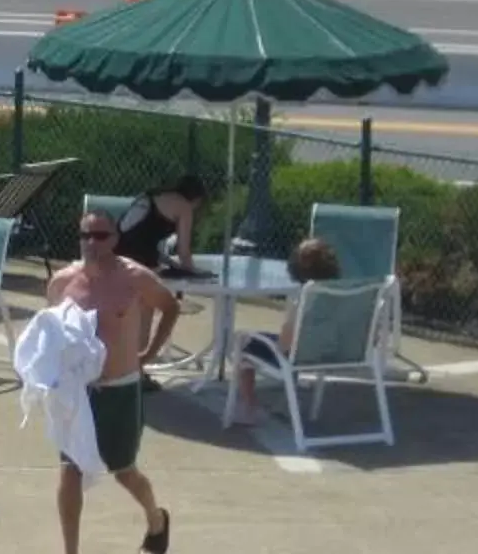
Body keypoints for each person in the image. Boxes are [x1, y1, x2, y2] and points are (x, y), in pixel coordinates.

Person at [41, 209, 181, 554]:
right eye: (85, 235)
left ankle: (156, 519)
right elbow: (51, 332)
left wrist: (148, 353)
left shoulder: (135, 278)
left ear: (115, 239)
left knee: (124, 471)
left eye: (100, 235)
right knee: (69, 470)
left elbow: (171, 306)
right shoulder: (62, 282)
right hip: (77, 392)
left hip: (120, 389)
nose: (92, 243)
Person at [228, 236, 344, 425]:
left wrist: (278, 345)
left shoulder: (302, 298)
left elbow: (286, 343)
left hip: (300, 354)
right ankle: (286, 402)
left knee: (243, 341)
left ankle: (250, 407)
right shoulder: (343, 295)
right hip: (334, 352)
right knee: (301, 344)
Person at [113, 174, 210, 275]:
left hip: (117, 248)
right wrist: (193, 272)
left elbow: (140, 236)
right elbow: (183, 251)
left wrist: (172, 264)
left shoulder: (154, 195)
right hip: (137, 256)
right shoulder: (184, 207)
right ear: (197, 199)